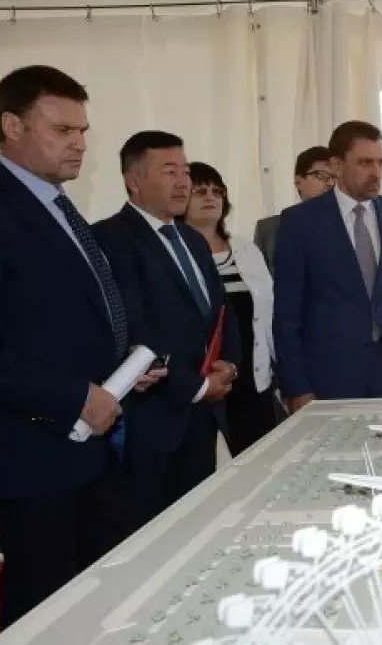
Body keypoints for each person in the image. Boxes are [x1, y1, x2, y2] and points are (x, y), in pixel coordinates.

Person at [0, 66, 164, 628]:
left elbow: (64, 320)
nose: (80, 144)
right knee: (45, 612)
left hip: (94, 450)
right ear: (12, 125)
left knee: (99, 604)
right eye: (63, 130)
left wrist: (122, 369)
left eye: (83, 130)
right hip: (32, 456)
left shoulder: (60, 208)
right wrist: (75, 396)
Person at [93, 131, 241, 530]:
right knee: (150, 536)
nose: (183, 182)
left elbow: (220, 312)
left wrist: (229, 366)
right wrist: (196, 387)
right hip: (150, 422)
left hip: (202, 420)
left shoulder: (193, 240)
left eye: (186, 171)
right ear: (134, 181)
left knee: (196, 529)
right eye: (169, 171)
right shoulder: (110, 238)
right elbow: (131, 328)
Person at [274, 121, 382, 412]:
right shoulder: (300, 222)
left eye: (381, 162)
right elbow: (287, 315)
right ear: (336, 165)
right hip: (329, 379)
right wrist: (297, 387)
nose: (376, 172)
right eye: (365, 163)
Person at [181, 161, 278, 455]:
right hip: (202, 380)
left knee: (257, 459)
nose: (210, 197)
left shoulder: (246, 250)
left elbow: (269, 314)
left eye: (217, 191)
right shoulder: (176, 253)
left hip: (253, 377)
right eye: (200, 191)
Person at [253, 146, 335, 276]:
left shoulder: (350, 226)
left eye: (335, 177)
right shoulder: (269, 229)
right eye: (321, 176)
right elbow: (258, 280)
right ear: (298, 181)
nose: (331, 183)